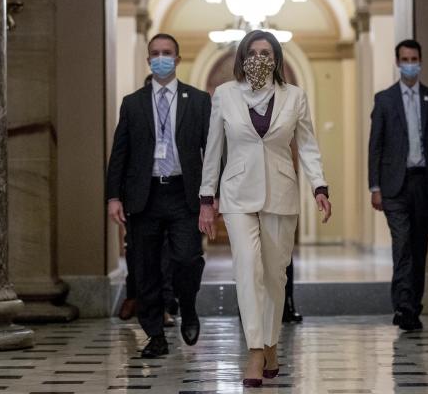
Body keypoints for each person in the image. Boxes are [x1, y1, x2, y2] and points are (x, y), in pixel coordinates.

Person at [198, 30, 331, 387]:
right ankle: (256, 350)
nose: (260, 58)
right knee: (247, 268)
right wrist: (206, 199)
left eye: (267, 53)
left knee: (275, 274)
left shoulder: (294, 97)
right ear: (242, 57)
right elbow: (213, 149)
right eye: (253, 52)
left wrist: (319, 186)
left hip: (281, 192)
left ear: (277, 59)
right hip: (237, 193)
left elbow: (307, 145)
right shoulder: (225, 95)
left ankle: (271, 343)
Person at [107, 33, 211, 358]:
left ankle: (188, 307)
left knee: (186, 258)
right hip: (145, 195)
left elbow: (212, 149)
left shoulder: (197, 100)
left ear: (178, 60)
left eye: (167, 53)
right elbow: (119, 154)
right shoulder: (133, 103)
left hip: (184, 193)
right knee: (146, 268)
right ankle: (154, 334)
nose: (161, 58)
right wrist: (113, 197)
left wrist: (213, 195)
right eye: (155, 53)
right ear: (148, 59)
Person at [368, 39, 428, 332]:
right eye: (405, 58)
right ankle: (403, 307)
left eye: (414, 58)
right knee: (402, 244)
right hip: (395, 186)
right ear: (397, 62)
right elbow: (376, 147)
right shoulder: (384, 100)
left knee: (419, 247)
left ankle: (413, 306)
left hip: (425, 184)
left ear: (421, 60)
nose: (410, 63)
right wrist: (375, 187)